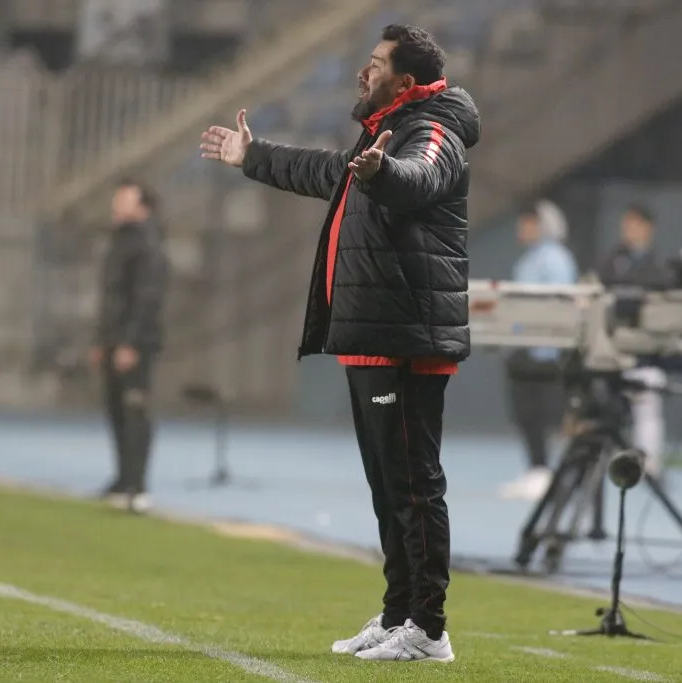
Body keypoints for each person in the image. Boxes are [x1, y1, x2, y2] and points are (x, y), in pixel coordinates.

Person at [201, 24, 479, 662]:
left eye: (376, 64)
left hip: (406, 339)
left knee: (413, 487)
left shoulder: (432, 130)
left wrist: (383, 172)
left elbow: (417, 178)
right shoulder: (389, 129)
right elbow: (327, 171)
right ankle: (399, 613)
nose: (364, 71)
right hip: (375, 336)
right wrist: (254, 156)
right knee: (389, 489)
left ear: (405, 82)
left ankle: (429, 630)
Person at [89, 180, 170, 515]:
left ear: (143, 208)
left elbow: (146, 299)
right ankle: (122, 479)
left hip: (135, 344)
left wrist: (130, 342)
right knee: (116, 411)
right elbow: (111, 297)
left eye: (125, 199)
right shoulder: (118, 242)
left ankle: (138, 485)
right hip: (113, 341)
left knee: (136, 411)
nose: (116, 204)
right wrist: (101, 340)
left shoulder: (149, 245)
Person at [499, 200, 578, 500]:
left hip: (545, 351)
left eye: (530, 223)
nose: (523, 229)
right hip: (523, 346)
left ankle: (547, 472)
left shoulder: (555, 259)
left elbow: (558, 305)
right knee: (524, 413)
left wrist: (546, 344)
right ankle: (536, 469)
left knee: (544, 415)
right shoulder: (528, 260)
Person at [597, 204, 670, 478]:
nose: (628, 231)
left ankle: (647, 463)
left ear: (649, 228)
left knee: (648, 398)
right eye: (626, 224)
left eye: (635, 225)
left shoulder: (660, 267)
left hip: (645, 354)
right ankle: (600, 459)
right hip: (610, 350)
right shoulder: (611, 261)